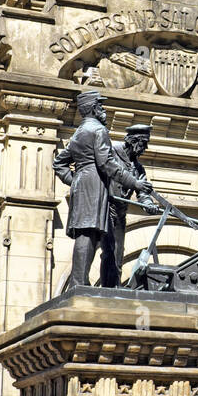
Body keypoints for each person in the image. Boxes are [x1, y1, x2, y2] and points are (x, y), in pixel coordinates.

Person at [53, 91, 152, 291]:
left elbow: (59, 162)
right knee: (89, 233)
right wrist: (134, 183)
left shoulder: (80, 131)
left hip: (86, 183)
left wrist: (76, 182)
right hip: (94, 184)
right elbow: (107, 164)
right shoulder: (98, 130)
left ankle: (80, 282)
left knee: (90, 234)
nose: (104, 110)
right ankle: (78, 284)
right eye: (101, 106)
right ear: (92, 108)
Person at [100, 124, 154, 289]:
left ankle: (113, 288)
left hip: (120, 215)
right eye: (144, 144)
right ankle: (108, 289)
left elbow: (143, 192)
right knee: (108, 252)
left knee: (117, 255)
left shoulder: (138, 167)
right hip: (105, 210)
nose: (145, 148)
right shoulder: (112, 153)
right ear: (134, 141)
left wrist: (148, 204)